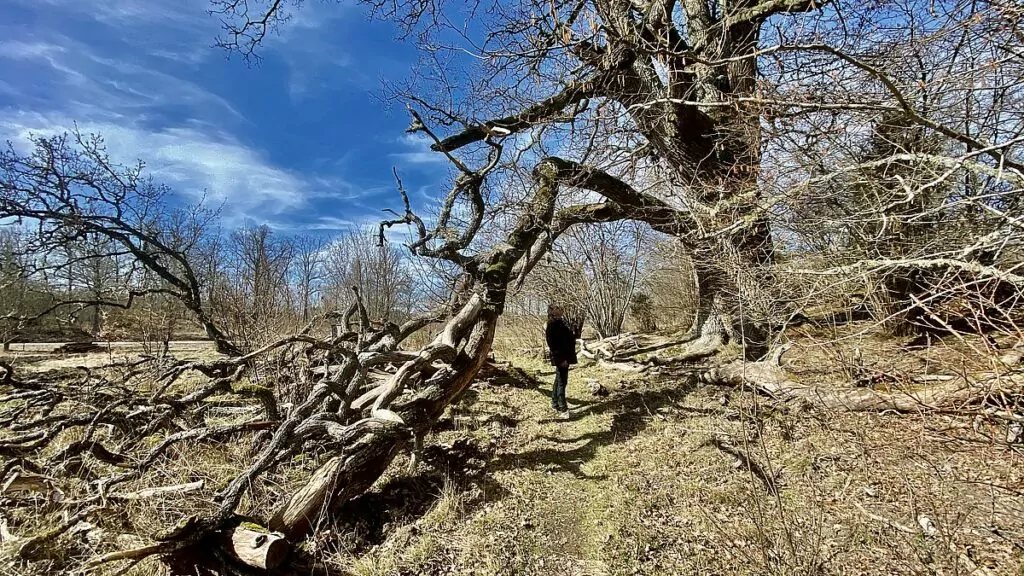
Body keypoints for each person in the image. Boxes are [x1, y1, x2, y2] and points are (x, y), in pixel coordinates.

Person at [545, 304, 578, 414]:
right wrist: (561, 359)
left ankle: (555, 403)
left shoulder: (562, 322)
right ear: (553, 311)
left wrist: (573, 330)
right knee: (562, 381)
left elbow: (569, 338)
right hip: (561, 356)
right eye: (558, 308)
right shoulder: (552, 324)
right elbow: (553, 344)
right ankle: (562, 407)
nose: (562, 310)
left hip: (566, 355)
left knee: (559, 379)